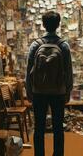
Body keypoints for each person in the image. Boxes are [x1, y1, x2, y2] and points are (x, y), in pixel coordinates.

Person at [26, 11, 73, 156]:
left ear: (43, 24)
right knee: (58, 128)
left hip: (38, 91)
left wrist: (29, 91)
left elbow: (28, 71)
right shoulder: (64, 46)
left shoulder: (35, 45)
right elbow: (68, 71)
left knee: (38, 128)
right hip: (58, 91)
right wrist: (68, 91)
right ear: (58, 24)